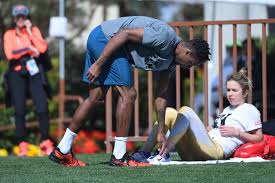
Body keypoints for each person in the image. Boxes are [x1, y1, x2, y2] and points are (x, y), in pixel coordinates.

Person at [49, 16, 210, 167]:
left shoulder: (170, 63)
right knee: (129, 94)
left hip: (102, 39)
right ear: (187, 52)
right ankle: (119, 157)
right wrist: (98, 64)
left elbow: (161, 95)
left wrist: (161, 130)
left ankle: (62, 150)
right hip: (105, 40)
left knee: (95, 97)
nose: (188, 67)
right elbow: (124, 34)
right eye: (191, 63)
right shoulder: (164, 37)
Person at [132, 69, 263, 162]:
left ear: (245, 93)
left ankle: (164, 152)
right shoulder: (227, 109)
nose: (230, 93)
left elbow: (259, 138)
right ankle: (144, 151)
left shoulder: (249, 109)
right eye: (228, 90)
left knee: (186, 111)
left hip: (216, 150)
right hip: (198, 150)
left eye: (234, 90)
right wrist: (212, 130)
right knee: (169, 112)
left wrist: (238, 133)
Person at [3, 5, 53, 156]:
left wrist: (30, 32)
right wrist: (29, 49)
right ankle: (22, 144)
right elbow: (10, 54)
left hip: (34, 71)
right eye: (18, 16)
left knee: (42, 106)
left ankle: (45, 141)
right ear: (14, 18)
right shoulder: (9, 34)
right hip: (16, 74)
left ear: (27, 18)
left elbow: (42, 48)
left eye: (23, 16)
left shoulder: (34, 31)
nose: (20, 19)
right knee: (19, 110)